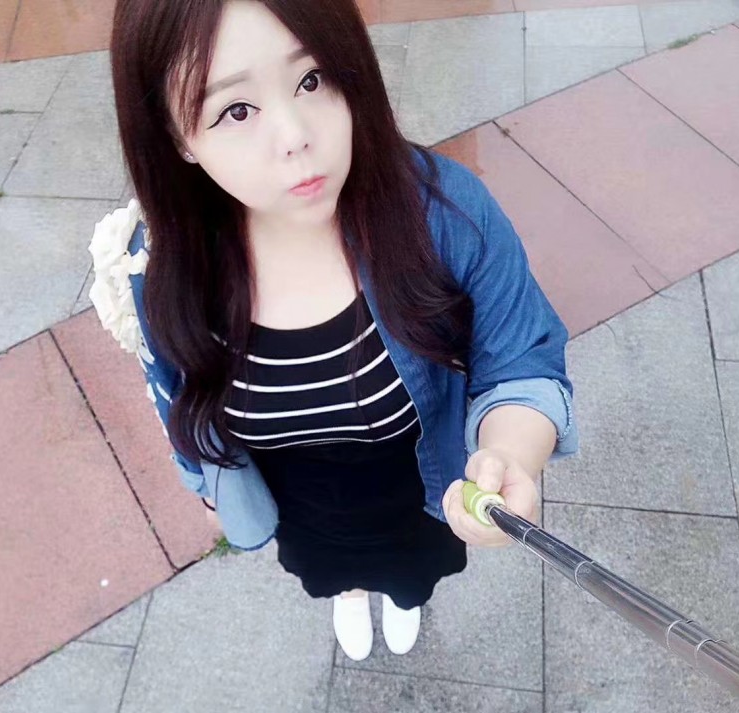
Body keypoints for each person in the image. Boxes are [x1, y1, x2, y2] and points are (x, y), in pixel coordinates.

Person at [91, 0, 578, 663]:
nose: (296, 134)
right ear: (177, 137)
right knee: (329, 573)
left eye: (312, 78)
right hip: (302, 508)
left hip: (419, 489)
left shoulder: (446, 216)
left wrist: (510, 454)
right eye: (237, 110)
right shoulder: (159, 267)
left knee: (412, 573)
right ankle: (347, 592)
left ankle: (403, 594)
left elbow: (520, 356)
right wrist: (206, 486)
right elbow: (174, 396)